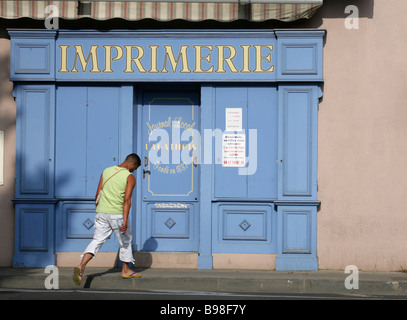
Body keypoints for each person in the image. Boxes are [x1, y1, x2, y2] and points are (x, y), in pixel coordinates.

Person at [73, 153, 141, 285]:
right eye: (136, 168)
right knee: (125, 242)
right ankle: (126, 270)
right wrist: (125, 221)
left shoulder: (106, 171)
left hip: (101, 212)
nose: (134, 171)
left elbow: (98, 193)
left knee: (97, 240)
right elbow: (127, 200)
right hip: (117, 214)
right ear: (132, 164)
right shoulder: (129, 177)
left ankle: (81, 266)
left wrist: (100, 210)